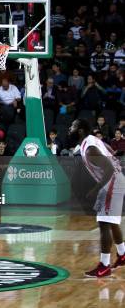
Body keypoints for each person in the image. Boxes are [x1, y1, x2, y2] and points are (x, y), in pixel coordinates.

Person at [69, 119, 125, 278]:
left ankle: (104, 265)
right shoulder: (92, 140)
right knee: (111, 221)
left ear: (80, 131)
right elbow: (109, 149)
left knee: (104, 224)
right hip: (117, 181)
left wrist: (95, 189)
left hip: (112, 183)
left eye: (72, 126)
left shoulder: (89, 149)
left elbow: (107, 169)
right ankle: (122, 254)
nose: (69, 129)